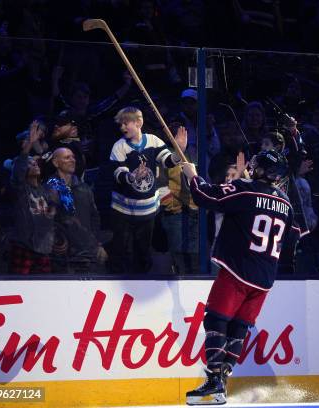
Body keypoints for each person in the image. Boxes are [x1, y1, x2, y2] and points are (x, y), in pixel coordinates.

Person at [181, 150, 299, 405]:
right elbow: (293, 235)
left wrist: (192, 176)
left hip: (238, 269)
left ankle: (214, 380)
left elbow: (205, 196)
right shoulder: (286, 202)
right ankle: (223, 379)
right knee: (239, 327)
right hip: (265, 277)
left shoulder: (244, 190)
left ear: (259, 169)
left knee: (216, 319)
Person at [109, 107, 185, 274]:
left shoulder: (153, 141)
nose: (122, 127)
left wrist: (178, 153)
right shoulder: (119, 146)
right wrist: (131, 177)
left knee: (143, 253)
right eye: (120, 124)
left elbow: (167, 161)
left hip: (147, 210)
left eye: (126, 123)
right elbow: (117, 172)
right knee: (122, 250)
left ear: (139, 122)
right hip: (123, 210)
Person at [46, 147, 107, 273]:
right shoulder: (51, 186)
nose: (72, 160)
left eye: (73, 157)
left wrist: (98, 244)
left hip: (86, 252)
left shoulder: (84, 188)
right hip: (61, 255)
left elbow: (94, 217)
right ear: (56, 163)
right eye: (67, 157)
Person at [8, 121, 55, 274]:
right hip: (24, 246)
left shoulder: (46, 190)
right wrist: (30, 143)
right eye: (30, 163)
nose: (34, 164)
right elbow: (19, 168)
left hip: (44, 248)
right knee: (20, 286)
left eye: (35, 162)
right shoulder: (21, 188)